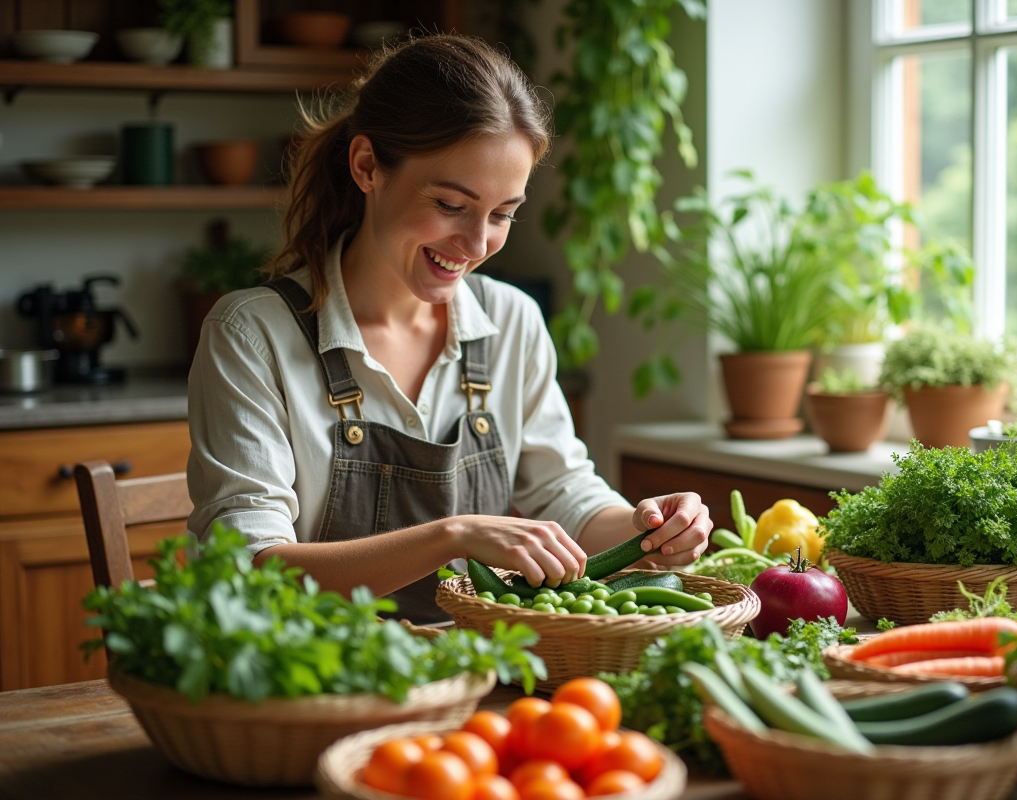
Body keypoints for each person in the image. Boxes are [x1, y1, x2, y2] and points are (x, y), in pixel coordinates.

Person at [186, 34, 711, 624]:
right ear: (367, 167)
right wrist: (452, 536)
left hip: (474, 682)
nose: (477, 243)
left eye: (504, 214)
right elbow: (251, 571)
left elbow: (563, 495)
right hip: (314, 688)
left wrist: (648, 528)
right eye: (451, 205)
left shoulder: (512, 322)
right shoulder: (252, 334)